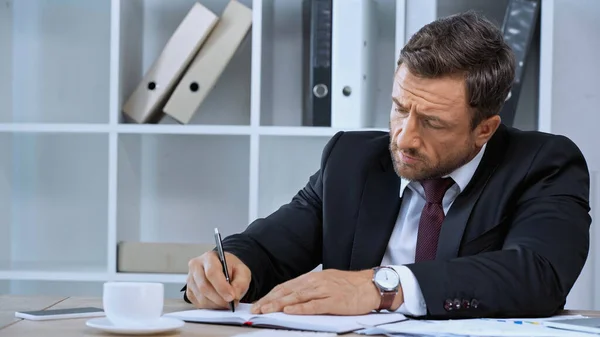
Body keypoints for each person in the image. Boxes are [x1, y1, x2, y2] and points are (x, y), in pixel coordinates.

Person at [183, 10, 591, 319]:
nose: (404, 138)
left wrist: (384, 287)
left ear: (484, 129)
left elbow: (539, 274)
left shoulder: (543, 164)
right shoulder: (352, 159)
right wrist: (229, 266)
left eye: (432, 123)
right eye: (399, 109)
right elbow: (270, 248)